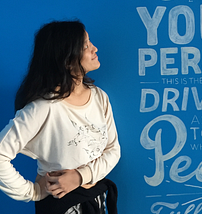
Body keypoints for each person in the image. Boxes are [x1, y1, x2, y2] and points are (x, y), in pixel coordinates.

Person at [0, 20, 121, 214]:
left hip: (97, 200)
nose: (94, 48)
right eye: (86, 45)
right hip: (61, 206)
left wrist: (80, 176)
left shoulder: (99, 97)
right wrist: (31, 192)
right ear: (66, 60)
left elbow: (113, 150)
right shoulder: (44, 108)